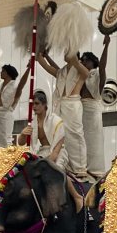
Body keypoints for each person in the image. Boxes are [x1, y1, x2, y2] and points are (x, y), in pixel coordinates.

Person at [38, 49, 89, 178]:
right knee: (60, 134)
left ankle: (80, 167)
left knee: (76, 134)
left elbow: (86, 73)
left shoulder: (79, 69)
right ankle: (66, 165)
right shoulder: (62, 71)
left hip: (73, 105)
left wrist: (75, 59)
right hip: (60, 105)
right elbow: (47, 67)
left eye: (67, 52)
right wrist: (38, 55)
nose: (64, 54)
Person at [80, 36, 111, 178]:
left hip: (92, 113)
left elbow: (103, 66)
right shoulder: (79, 77)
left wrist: (107, 45)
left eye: (86, 60)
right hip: (80, 113)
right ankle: (82, 171)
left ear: (93, 62)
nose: (83, 62)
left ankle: (96, 173)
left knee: (94, 144)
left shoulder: (97, 74)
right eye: (82, 60)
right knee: (82, 144)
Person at [17, 90, 66, 167]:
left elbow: (56, 151)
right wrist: (23, 134)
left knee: (55, 170)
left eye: (37, 103)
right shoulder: (33, 123)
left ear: (44, 104)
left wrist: (47, 164)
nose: (34, 107)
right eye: (32, 104)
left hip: (58, 154)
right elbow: (20, 143)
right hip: (42, 153)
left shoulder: (56, 121)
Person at [0, 63, 30, 147]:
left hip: (5, 116)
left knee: (5, 141)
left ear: (8, 73)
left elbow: (22, 84)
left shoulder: (15, 87)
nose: (1, 72)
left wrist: (28, 69)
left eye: (3, 71)